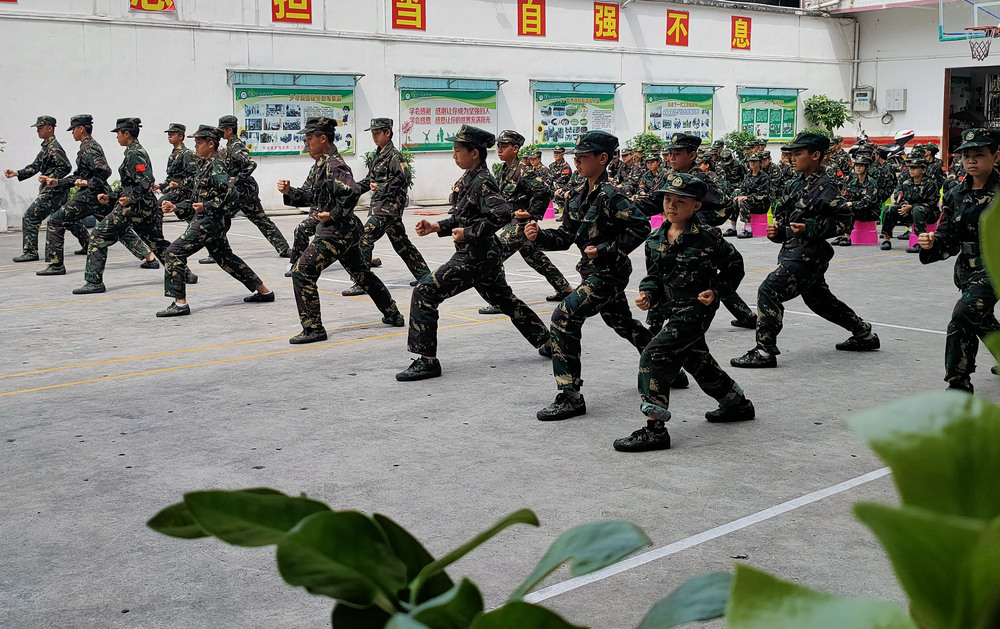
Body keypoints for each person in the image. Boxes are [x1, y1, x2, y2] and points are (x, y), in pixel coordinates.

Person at [396, 125, 550, 381]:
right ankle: (548, 342)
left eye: (458, 150)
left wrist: (468, 233)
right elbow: (462, 215)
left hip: (474, 256)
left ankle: (427, 361)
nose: (454, 155)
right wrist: (437, 226)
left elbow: (501, 215)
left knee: (425, 291)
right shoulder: (469, 179)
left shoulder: (483, 181)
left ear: (475, 153)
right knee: (505, 300)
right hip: (485, 255)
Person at [614, 173, 755, 452]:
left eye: (681, 201)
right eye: (667, 199)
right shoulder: (655, 239)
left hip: (696, 308)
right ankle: (736, 403)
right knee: (695, 359)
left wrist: (716, 290)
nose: (672, 206)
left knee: (654, 355)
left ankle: (655, 429)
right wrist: (648, 294)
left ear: (696, 207)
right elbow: (653, 276)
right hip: (670, 308)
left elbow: (734, 267)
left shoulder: (707, 237)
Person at [524, 130, 655, 421]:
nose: (578, 162)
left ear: (603, 159)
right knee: (620, 322)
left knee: (563, 317)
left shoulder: (612, 195)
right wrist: (538, 237)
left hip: (608, 273)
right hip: (592, 272)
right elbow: (565, 236)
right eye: (577, 157)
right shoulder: (578, 197)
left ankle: (570, 395)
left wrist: (606, 250)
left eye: (583, 157)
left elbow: (641, 226)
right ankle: (665, 363)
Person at [731, 131, 880, 369]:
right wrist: (777, 231)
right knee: (820, 301)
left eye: (798, 153)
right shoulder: (794, 183)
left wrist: (809, 228)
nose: (792, 158)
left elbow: (845, 222)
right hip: (793, 251)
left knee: (769, 290)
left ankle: (764, 351)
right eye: (791, 153)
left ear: (815, 155)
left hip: (808, 256)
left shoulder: (826, 186)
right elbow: (784, 218)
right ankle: (864, 334)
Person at [287, 117, 405, 344]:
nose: (306, 144)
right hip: (343, 230)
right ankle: (392, 312)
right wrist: (290, 191)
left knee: (302, 272)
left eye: (309, 139)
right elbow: (309, 195)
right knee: (362, 274)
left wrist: (333, 214)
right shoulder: (321, 164)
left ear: (323, 138)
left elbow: (351, 191)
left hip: (337, 231)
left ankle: (313, 328)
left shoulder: (334, 165)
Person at [157, 125, 273, 317]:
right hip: (208, 220)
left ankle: (180, 304)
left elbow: (232, 193)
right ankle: (264, 291)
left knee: (173, 253)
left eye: (199, 142)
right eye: (195, 142)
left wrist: (208, 206)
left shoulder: (217, 166)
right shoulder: (204, 164)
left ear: (211, 144)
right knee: (225, 257)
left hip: (209, 222)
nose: (196, 146)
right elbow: (198, 198)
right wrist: (177, 207)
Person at [917, 128, 1000, 394]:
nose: (972, 160)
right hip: (968, 269)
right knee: (981, 319)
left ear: (995, 156)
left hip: (995, 268)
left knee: (962, 316)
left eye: (979, 154)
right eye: (966, 156)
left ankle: (958, 383)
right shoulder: (955, 194)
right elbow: (947, 234)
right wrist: (933, 242)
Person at [72, 118, 180, 294]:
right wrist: (111, 196)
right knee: (156, 243)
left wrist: (130, 199)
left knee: (98, 237)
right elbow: (131, 185)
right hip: (144, 206)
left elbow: (145, 181)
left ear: (126, 134)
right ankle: (183, 273)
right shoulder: (133, 151)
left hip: (135, 207)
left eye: (118, 134)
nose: (117, 138)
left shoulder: (134, 153)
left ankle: (94, 282)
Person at [478, 130, 572, 314]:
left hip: (520, 225)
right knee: (536, 258)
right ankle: (565, 289)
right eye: (498, 146)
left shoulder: (525, 171)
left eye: (504, 146)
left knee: (494, 255)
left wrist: (531, 213)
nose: (499, 149)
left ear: (515, 148)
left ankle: (500, 300)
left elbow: (544, 191)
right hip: (509, 221)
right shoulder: (504, 170)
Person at [342, 118, 430, 296]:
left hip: (388, 208)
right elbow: (370, 180)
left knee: (365, 238)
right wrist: (352, 189)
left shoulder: (394, 156)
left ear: (387, 133)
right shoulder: (378, 155)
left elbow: (403, 178)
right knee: (401, 243)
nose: (374, 137)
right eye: (373, 133)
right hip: (382, 206)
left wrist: (381, 188)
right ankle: (424, 276)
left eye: (377, 133)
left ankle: (363, 282)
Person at [200, 115, 290, 263]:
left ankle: (217, 253)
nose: (220, 133)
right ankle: (283, 248)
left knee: (221, 217)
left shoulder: (236, 146)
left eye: (222, 130)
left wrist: (236, 178)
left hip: (243, 191)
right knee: (260, 220)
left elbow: (250, 164)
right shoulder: (230, 145)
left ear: (230, 130)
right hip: (244, 191)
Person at [5, 116, 88, 263]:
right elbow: (35, 165)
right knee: (68, 219)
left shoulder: (54, 147)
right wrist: (17, 173)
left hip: (53, 191)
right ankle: (87, 244)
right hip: (56, 191)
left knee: (30, 217)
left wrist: (50, 178)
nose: (37, 130)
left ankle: (30, 251)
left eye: (40, 127)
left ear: (50, 128)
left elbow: (66, 166)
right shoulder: (46, 147)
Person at [880, 156, 939, 252]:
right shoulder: (906, 183)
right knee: (889, 209)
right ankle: (886, 240)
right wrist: (904, 206)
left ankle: (920, 242)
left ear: (923, 170)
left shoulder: (931, 184)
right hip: (909, 212)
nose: (911, 170)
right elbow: (901, 198)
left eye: (915, 168)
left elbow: (931, 203)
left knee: (917, 210)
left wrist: (911, 207)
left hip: (928, 214)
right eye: (910, 168)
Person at [835, 153, 881, 247]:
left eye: (861, 165)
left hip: (870, 211)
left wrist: (852, 203)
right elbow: (846, 197)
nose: (858, 167)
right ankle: (840, 234)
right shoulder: (853, 182)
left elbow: (867, 203)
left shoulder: (871, 183)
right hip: (857, 209)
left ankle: (847, 237)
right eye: (856, 165)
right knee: (840, 207)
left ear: (866, 167)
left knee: (850, 209)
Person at [156, 123, 199, 215]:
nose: (169, 136)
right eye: (169, 134)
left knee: (159, 204)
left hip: (184, 192)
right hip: (174, 191)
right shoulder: (174, 153)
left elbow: (194, 175)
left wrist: (179, 184)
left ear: (180, 136)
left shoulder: (186, 154)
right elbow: (171, 177)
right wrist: (159, 186)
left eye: (172, 134)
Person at [734, 151, 772, 239]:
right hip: (751, 202)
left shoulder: (764, 177)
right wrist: (740, 196)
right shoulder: (748, 176)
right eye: (751, 161)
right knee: (735, 201)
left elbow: (763, 195)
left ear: (760, 163)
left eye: (754, 161)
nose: (752, 163)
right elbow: (743, 189)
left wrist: (747, 197)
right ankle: (733, 228)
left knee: (743, 202)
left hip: (761, 204)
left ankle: (748, 230)